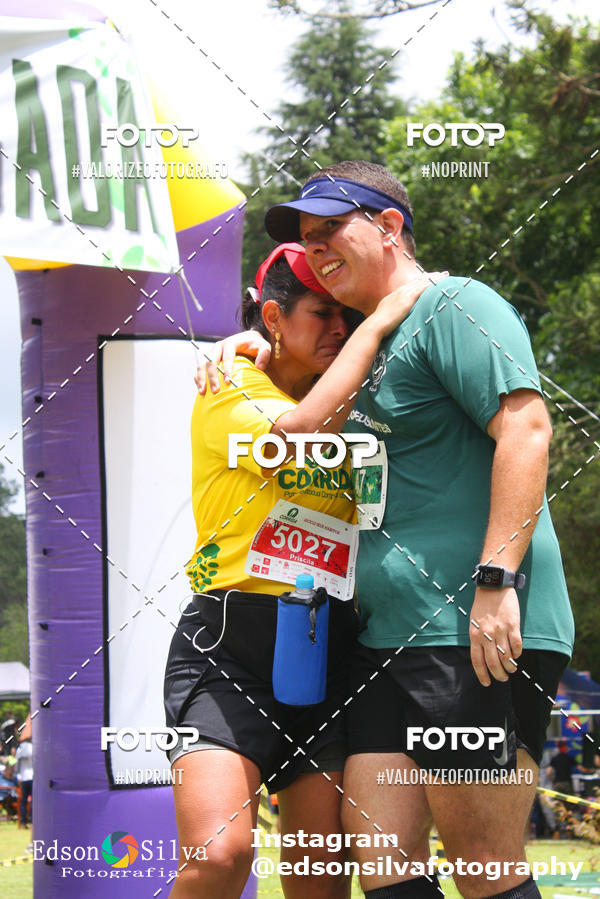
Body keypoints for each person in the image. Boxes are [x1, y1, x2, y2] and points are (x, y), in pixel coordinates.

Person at [210, 159, 574, 899]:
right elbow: (297, 419)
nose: (316, 249)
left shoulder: (456, 304)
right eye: (305, 239)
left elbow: (528, 428)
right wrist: (249, 342)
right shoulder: (362, 346)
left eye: (330, 230)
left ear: (388, 226)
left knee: (482, 862)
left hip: (475, 630)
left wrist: (497, 581)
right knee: (384, 868)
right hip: (385, 637)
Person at [165, 241, 438, 899]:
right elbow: (290, 432)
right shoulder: (228, 381)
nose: (340, 327)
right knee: (220, 854)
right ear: (274, 317)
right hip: (228, 650)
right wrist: (370, 326)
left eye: (347, 313)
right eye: (322, 313)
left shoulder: (355, 401)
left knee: (318, 877)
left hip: (327, 651)